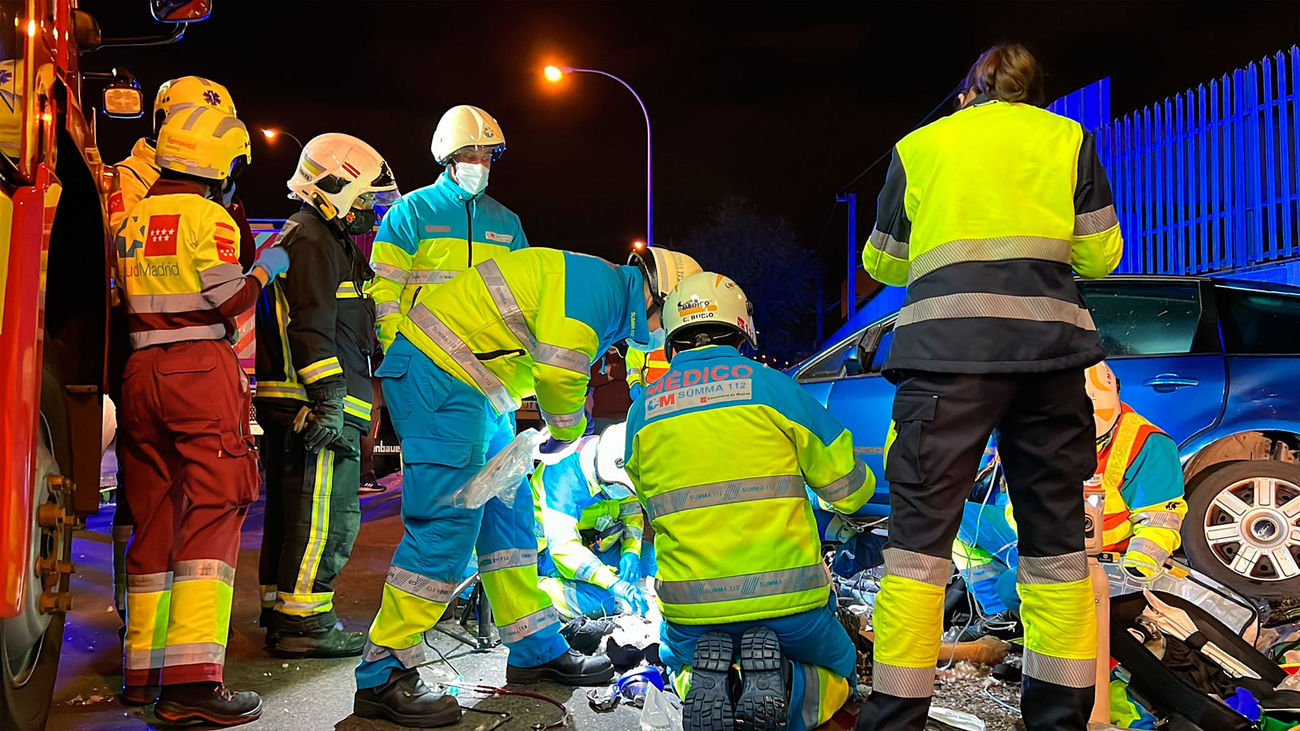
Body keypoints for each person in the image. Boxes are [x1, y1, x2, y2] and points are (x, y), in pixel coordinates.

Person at [855, 42, 1125, 731]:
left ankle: (893, 720)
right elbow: (1101, 252)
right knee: (1057, 550)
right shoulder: (1067, 138)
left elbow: (882, 260)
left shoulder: (922, 144)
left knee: (917, 552)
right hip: (1049, 358)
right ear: (1034, 92)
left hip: (945, 358)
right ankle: (1059, 718)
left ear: (969, 88)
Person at [351, 245, 700, 727]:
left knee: (509, 527)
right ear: (657, 296)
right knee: (447, 529)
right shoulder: (598, 292)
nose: (664, 331)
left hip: (477, 390)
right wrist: (569, 430)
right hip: (439, 380)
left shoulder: (609, 297)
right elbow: (559, 373)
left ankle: (535, 649)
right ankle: (382, 672)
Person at [625, 272, 876, 731]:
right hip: (791, 606)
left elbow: (648, 498)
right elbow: (848, 490)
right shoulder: (774, 388)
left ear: (672, 335)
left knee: (680, 664)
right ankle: (788, 684)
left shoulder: (641, 411)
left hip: (690, 612)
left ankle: (713, 681)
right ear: (742, 328)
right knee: (844, 670)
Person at [115, 107, 287, 726]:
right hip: (197, 368)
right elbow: (229, 297)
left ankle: (143, 674)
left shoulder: (132, 217)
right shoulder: (209, 216)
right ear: (222, 165)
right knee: (217, 510)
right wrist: (266, 265)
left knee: (155, 518)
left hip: (139, 372)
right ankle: (192, 686)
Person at [105, 75, 252, 625]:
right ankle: (175, 653)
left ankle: (147, 653)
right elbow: (225, 290)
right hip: (169, 352)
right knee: (193, 501)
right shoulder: (126, 182)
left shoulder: (170, 195)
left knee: (158, 501)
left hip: (149, 357)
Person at [254, 134, 400, 658]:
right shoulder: (314, 239)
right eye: (361, 199)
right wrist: (331, 399)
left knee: (293, 516)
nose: (366, 211)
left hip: (300, 399)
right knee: (325, 517)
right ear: (331, 188)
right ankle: (304, 625)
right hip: (315, 405)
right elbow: (312, 327)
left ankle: (280, 610)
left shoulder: (314, 236)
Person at [954, 361, 1188, 623]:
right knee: (953, 517)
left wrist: (1136, 572)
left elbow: (1159, 520)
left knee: (1015, 586)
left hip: (1104, 557)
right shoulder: (1031, 430)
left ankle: (1028, 614)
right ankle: (1000, 618)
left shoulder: (1147, 445)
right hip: (1039, 537)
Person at [367, 104, 528, 353]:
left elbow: (523, 293)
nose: (481, 166)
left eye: (486, 158)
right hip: (423, 353)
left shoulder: (508, 222)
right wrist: (395, 348)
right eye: (471, 157)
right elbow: (383, 286)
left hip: (491, 357)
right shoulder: (411, 210)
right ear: (449, 158)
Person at [532, 421, 652, 622]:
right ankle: (528, 588)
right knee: (599, 603)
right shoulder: (561, 476)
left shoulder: (617, 461)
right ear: (602, 477)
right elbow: (564, 548)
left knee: (657, 561)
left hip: (597, 544)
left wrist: (631, 551)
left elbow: (630, 509)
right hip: (550, 554)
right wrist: (612, 583)